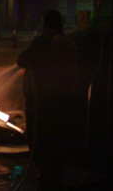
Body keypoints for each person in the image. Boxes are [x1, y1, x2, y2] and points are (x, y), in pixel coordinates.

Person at [17, 10, 78, 190]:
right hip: (63, 102)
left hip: (42, 104)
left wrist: (38, 42)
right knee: (58, 143)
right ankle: (55, 178)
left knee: (40, 142)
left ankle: (46, 179)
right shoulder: (69, 44)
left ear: (47, 25)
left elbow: (22, 60)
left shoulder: (45, 43)